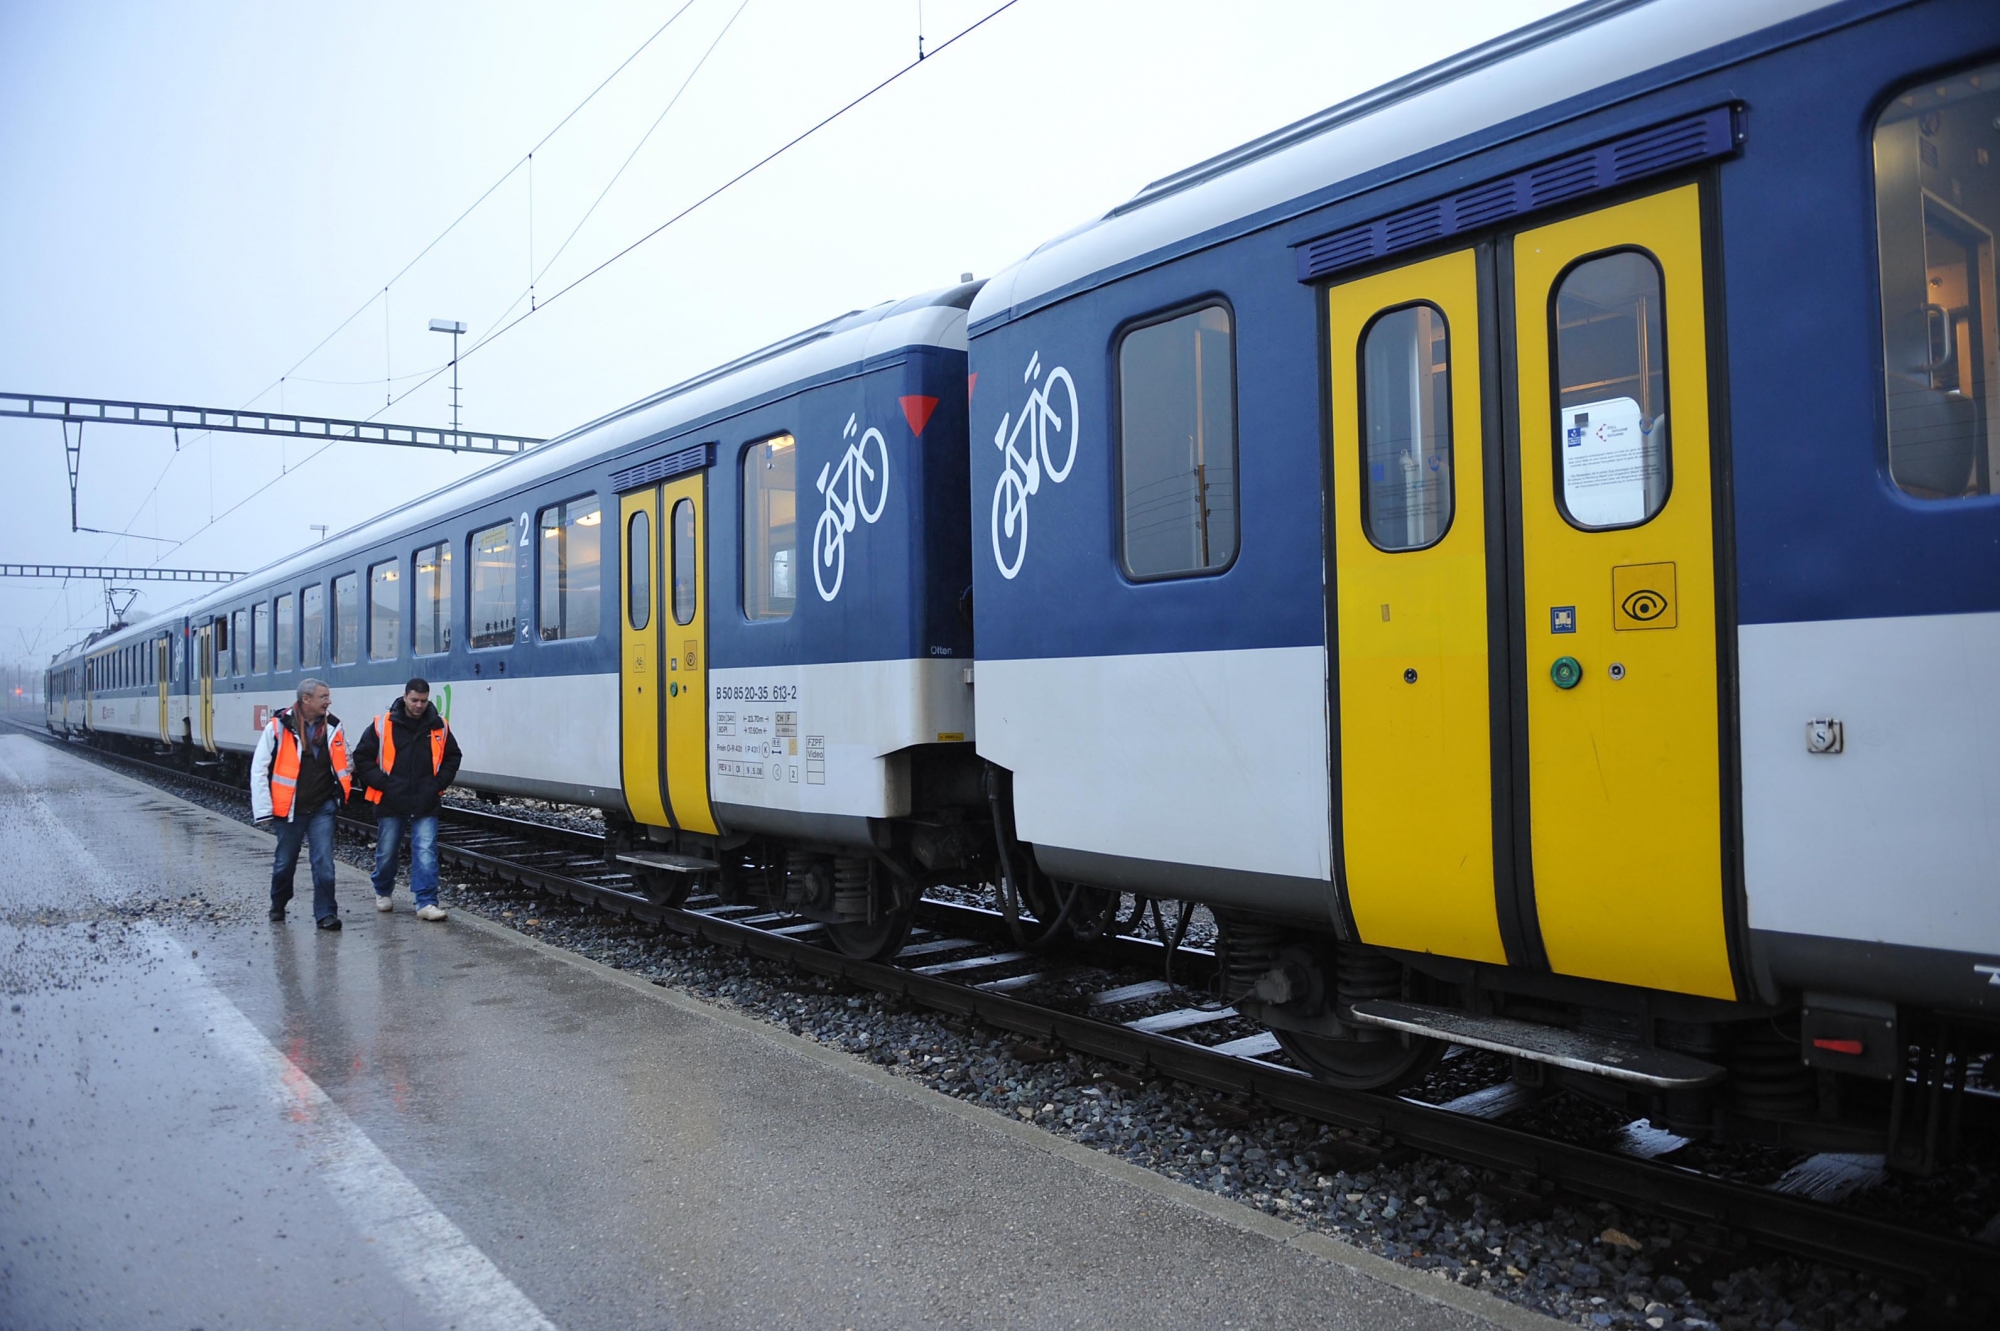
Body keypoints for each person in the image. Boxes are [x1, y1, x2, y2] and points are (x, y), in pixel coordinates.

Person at [351, 677, 462, 922]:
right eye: (414, 700)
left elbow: (453, 757)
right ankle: (382, 889)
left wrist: (437, 784)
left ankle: (426, 901)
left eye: (423, 700)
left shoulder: (439, 726)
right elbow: (362, 757)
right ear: (405, 697)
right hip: (391, 799)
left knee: (425, 850)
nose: (419, 705)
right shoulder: (383, 725)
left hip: (425, 800)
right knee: (387, 851)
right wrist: (382, 783)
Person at [250, 678, 354, 929]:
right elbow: (259, 768)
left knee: (324, 862)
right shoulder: (278, 727)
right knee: (285, 862)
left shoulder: (333, 726)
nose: (328, 701)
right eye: (323, 697)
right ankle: (278, 903)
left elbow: (345, 757)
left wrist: (343, 787)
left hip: (322, 806)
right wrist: (264, 810)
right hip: (289, 809)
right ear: (306, 699)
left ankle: (326, 914)